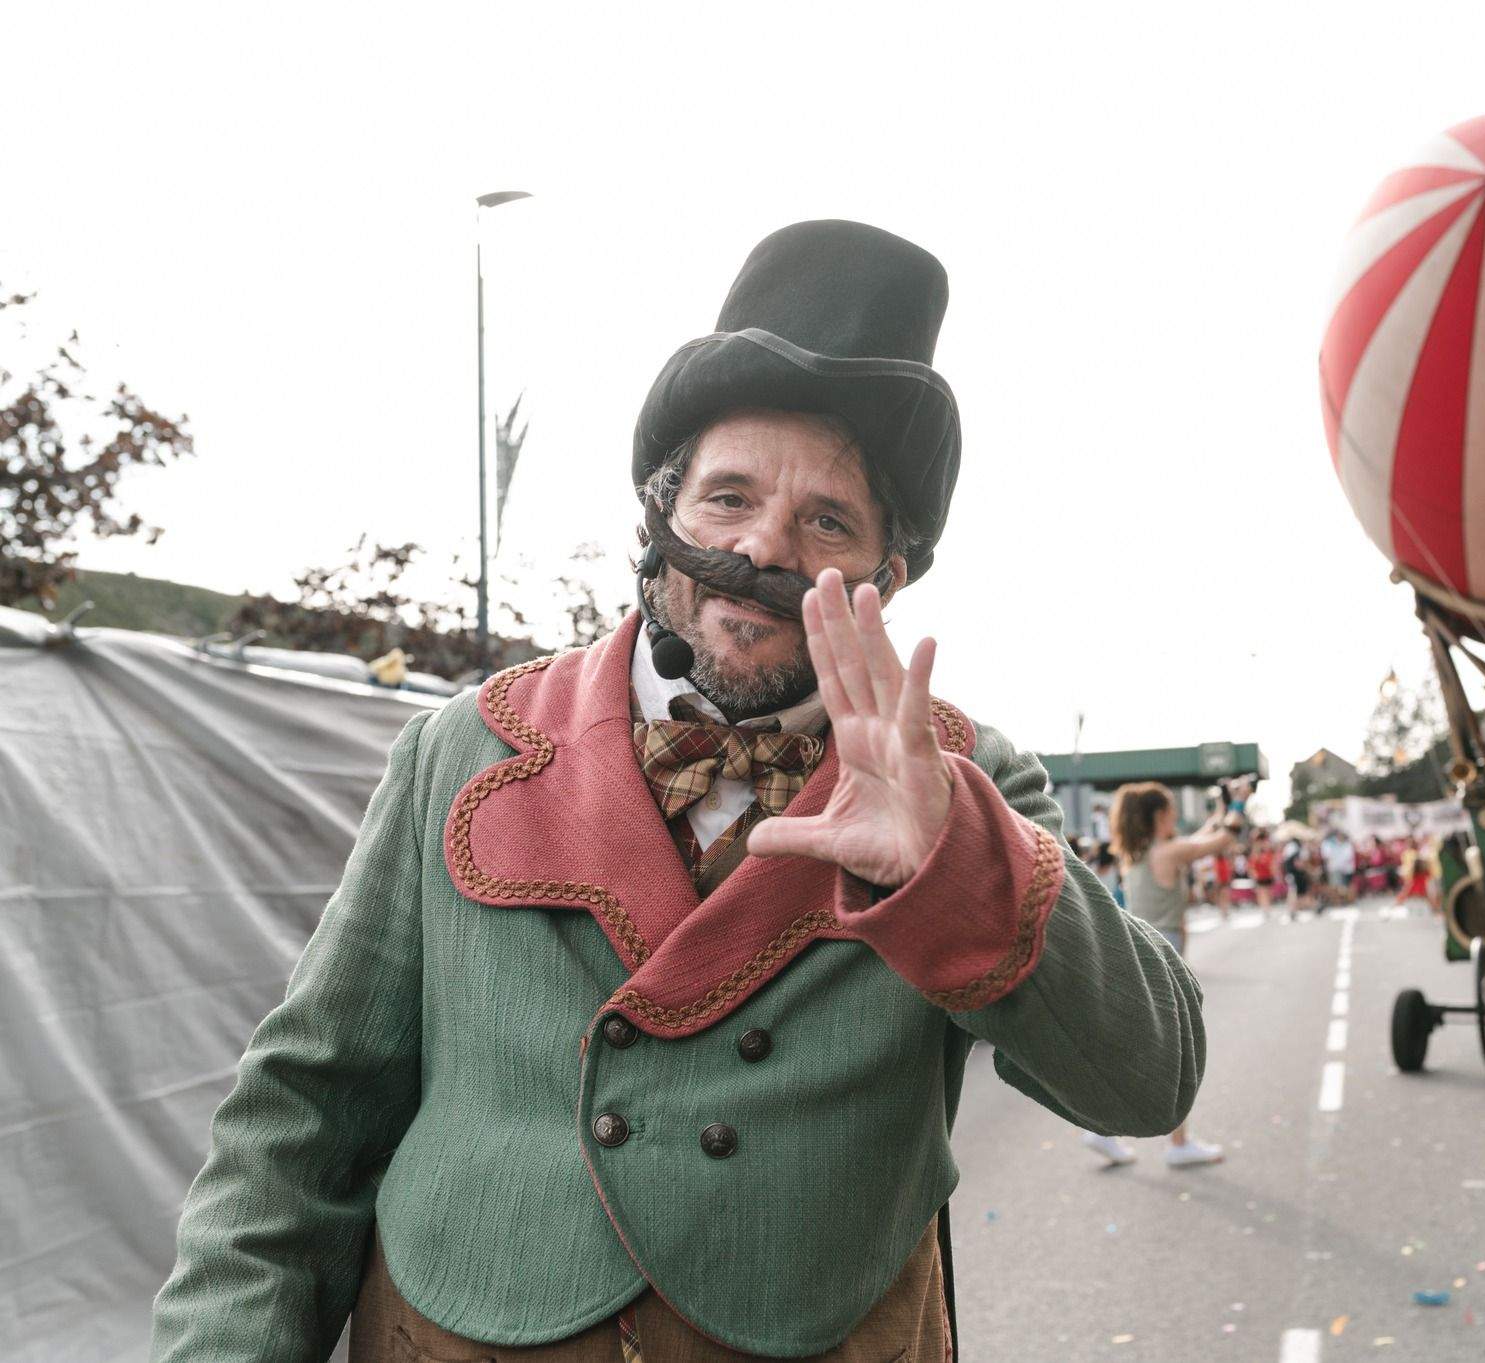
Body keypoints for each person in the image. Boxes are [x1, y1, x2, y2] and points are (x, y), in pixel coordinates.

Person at [151, 222, 1205, 1363]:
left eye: (828, 522)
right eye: (728, 497)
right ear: (659, 514)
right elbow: (298, 1128)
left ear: (888, 577)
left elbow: (1145, 1084)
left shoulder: (966, 776)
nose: (762, 550)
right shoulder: (458, 750)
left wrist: (955, 863)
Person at [1084, 782, 1234, 1168]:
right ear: (1155, 817)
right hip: (1164, 959)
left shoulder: (1137, 854)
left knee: (1142, 1050)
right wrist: (1239, 805)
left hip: (1139, 952)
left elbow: (1202, 836)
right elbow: (1219, 841)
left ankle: (1101, 1130)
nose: (1175, 818)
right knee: (1177, 1053)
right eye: (1169, 812)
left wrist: (1224, 805)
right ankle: (1178, 1144)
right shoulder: (1168, 852)